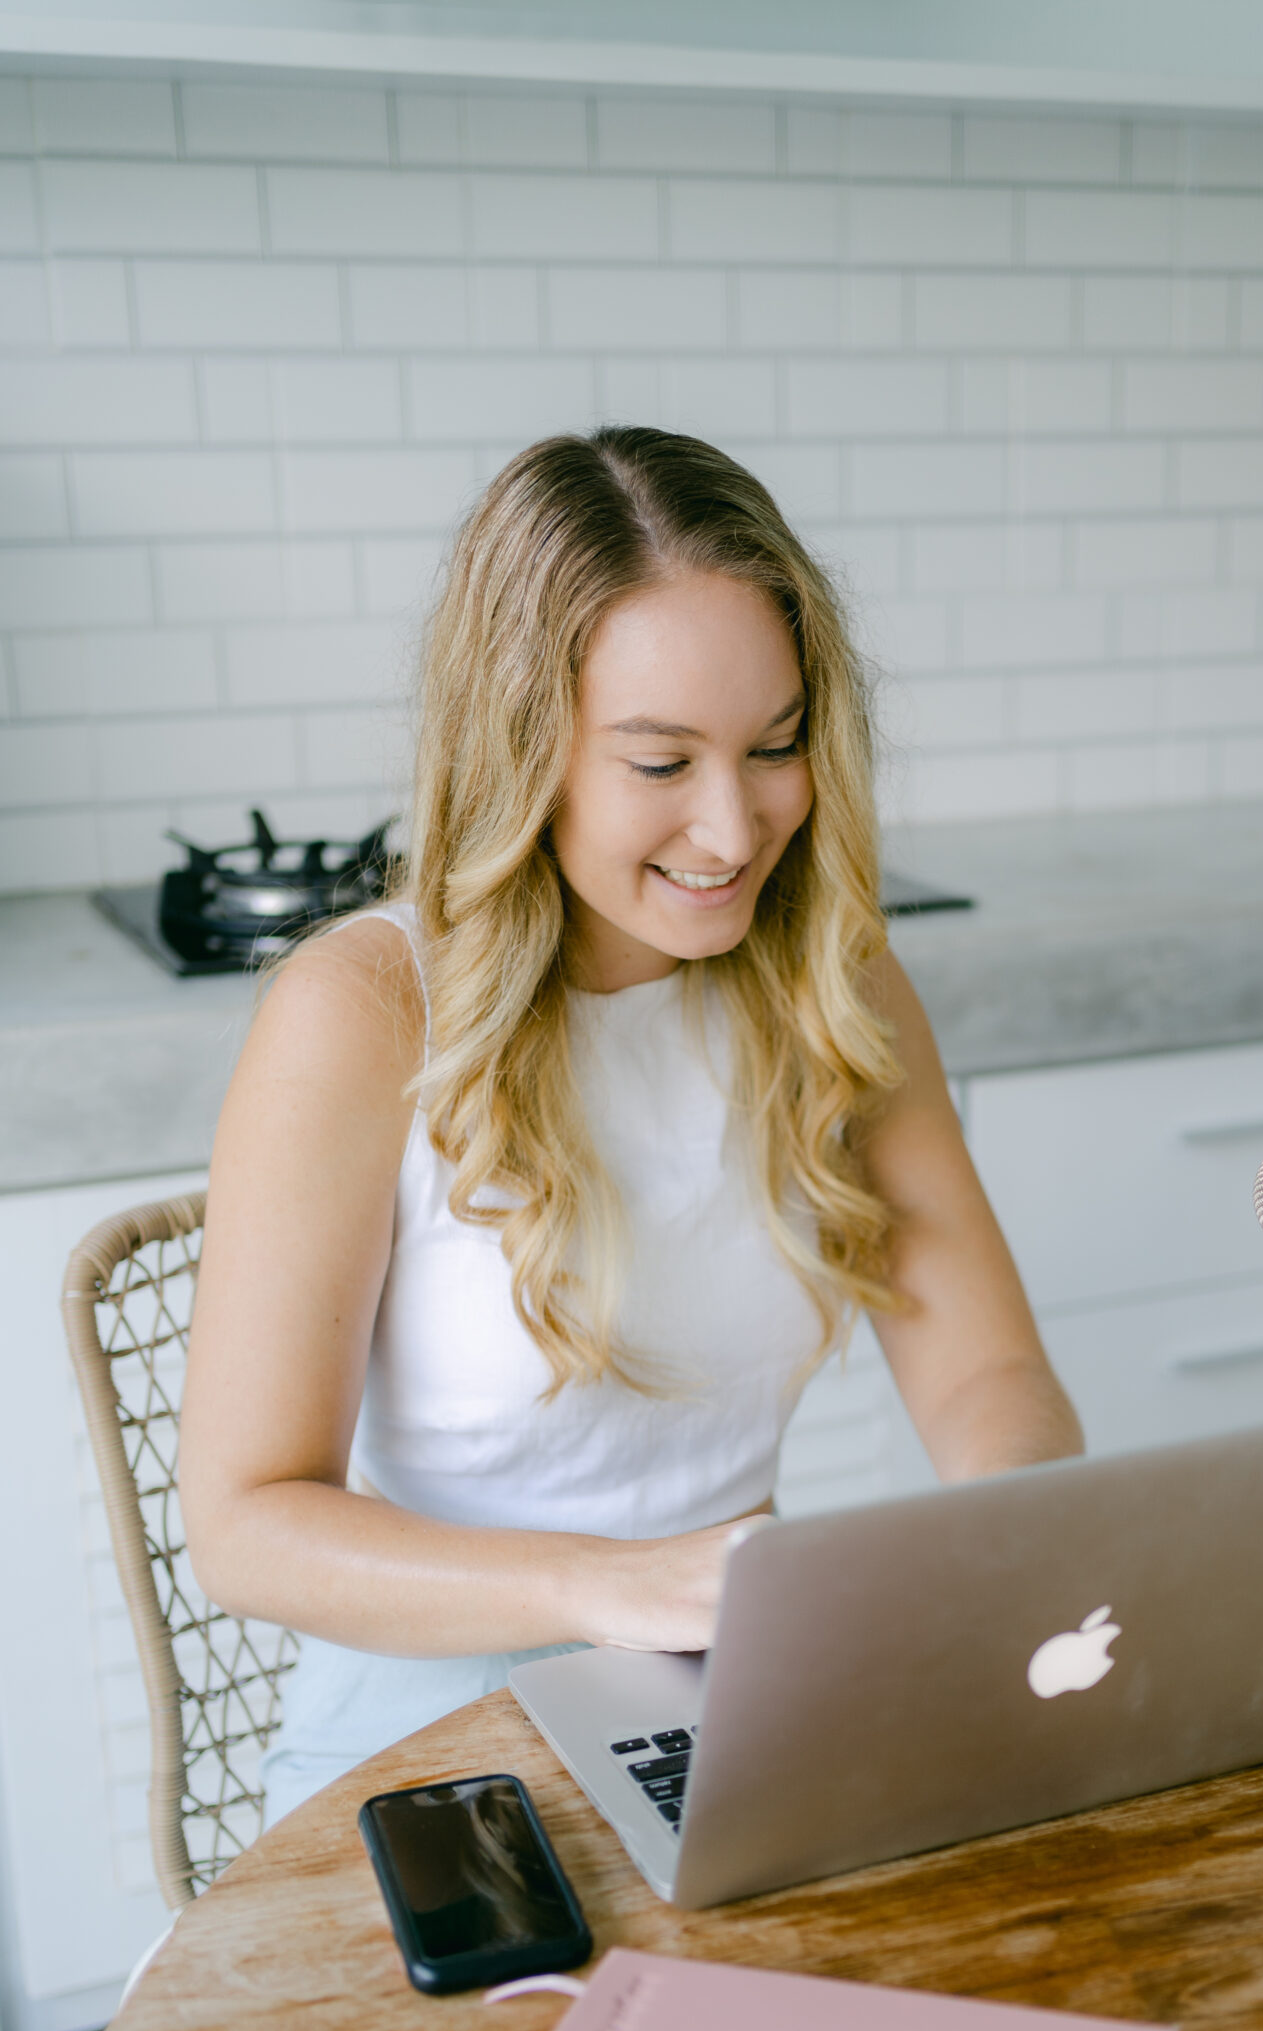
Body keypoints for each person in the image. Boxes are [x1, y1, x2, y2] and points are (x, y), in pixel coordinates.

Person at [180, 427, 1083, 1822]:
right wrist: (605, 1584)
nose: (733, 831)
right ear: (522, 747)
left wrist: (997, 1544)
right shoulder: (363, 1012)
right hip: (433, 1750)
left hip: (740, 1701)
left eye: (775, 747)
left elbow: (988, 1379)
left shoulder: (835, 984)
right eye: (661, 765)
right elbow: (244, 1523)